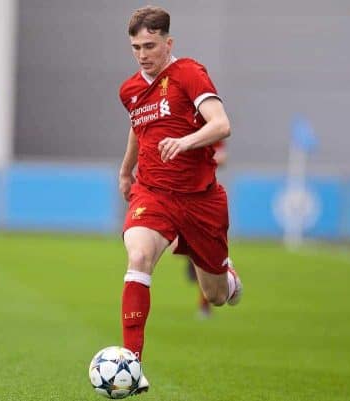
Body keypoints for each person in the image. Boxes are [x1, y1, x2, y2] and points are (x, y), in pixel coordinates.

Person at [118, 6, 242, 394]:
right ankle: (131, 365)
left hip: (201, 201)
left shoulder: (189, 73)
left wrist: (185, 141)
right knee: (138, 256)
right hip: (152, 192)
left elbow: (222, 124)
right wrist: (126, 171)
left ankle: (229, 278)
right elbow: (139, 128)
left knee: (215, 295)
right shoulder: (130, 90)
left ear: (168, 43)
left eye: (150, 45)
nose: (143, 54)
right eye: (136, 46)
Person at [185, 141, 227, 318]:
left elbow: (223, 156)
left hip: (203, 198)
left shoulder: (207, 124)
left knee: (201, 256)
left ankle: (204, 306)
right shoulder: (169, 123)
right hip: (177, 196)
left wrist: (199, 159)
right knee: (182, 249)